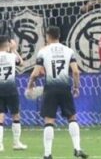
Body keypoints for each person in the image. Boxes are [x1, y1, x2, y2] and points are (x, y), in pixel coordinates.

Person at [27, 26, 88, 159]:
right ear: (59, 36)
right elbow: (76, 71)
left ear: (48, 36)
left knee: (49, 120)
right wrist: (76, 87)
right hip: (65, 88)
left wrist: (30, 85)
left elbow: (36, 73)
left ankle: (47, 154)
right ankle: (77, 148)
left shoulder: (43, 51)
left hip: (50, 89)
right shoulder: (68, 51)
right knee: (72, 117)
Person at [0, 36, 27, 151]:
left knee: (0, 116)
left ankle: (0, 144)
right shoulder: (11, 56)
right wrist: (14, 49)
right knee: (15, 115)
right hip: (11, 90)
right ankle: (16, 143)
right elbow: (21, 63)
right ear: (7, 44)